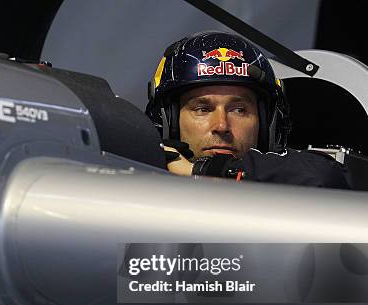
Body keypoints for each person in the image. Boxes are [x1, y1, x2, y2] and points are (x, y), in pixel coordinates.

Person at [145, 31, 350, 189]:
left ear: (266, 123)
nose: (222, 126)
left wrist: (203, 171)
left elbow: (323, 176)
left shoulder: (286, 187)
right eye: (202, 109)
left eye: (239, 110)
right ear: (168, 120)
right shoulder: (133, 178)